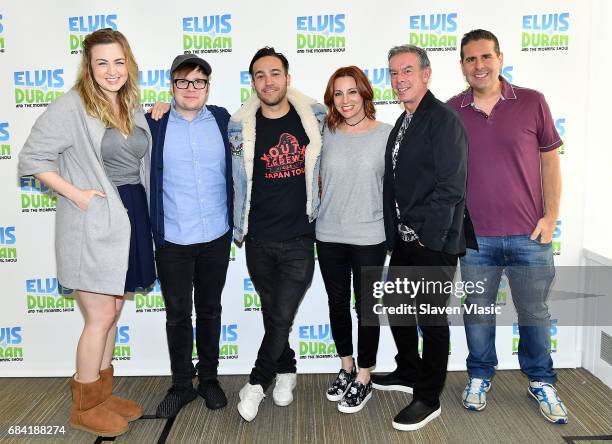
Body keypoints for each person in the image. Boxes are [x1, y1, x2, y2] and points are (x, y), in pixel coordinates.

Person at [18, 28, 154, 437]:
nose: (112, 71)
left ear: (128, 62)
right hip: (93, 221)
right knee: (98, 317)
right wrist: (75, 194)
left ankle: (101, 394)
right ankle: (83, 406)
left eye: (118, 61)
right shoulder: (73, 105)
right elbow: (32, 158)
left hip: (130, 216)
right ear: (88, 66)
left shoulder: (129, 104)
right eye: (102, 63)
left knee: (112, 313)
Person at [447, 29, 567, 424]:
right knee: (477, 312)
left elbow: (551, 160)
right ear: (462, 65)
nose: (478, 66)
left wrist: (551, 216)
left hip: (529, 235)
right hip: (476, 239)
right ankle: (480, 375)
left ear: (500, 58)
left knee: (534, 311)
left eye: (485, 57)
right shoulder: (452, 110)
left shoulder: (532, 102)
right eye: (470, 59)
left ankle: (541, 380)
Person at [373, 44, 473, 431]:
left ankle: (428, 397)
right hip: (404, 240)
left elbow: (452, 187)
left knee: (430, 320)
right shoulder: (404, 121)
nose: (399, 80)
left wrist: (427, 240)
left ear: (426, 74)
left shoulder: (442, 119)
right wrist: (397, 236)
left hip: (434, 241)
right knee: (398, 310)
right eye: (394, 73)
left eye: (407, 71)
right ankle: (408, 370)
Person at [229, 47, 326, 422]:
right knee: (275, 315)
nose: (268, 81)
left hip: (300, 238)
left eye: (275, 73)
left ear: (287, 77)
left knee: (282, 314)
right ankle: (287, 371)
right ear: (253, 82)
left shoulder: (314, 118)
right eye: (259, 75)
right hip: (257, 240)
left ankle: (256, 382)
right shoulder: (239, 126)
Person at [146, 55, 233, 418]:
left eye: (199, 82)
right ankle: (182, 384)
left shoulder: (225, 119)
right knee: (177, 314)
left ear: (208, 87)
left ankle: (209, 379)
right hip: (173, 239)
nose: (191, 89)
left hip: (216, 233)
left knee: (210, 311)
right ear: (171, 86)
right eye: (183, 82)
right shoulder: (155, 123)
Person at [316, 66, 391, 413]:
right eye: (338, 94)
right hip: (328, 233)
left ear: (365, 94)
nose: (345, 100)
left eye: (352, 92)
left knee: (367, 309)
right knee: (336, 304)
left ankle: (364, 375)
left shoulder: (386, 135)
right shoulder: (323, 132)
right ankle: (346, 366)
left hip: (370, 235)